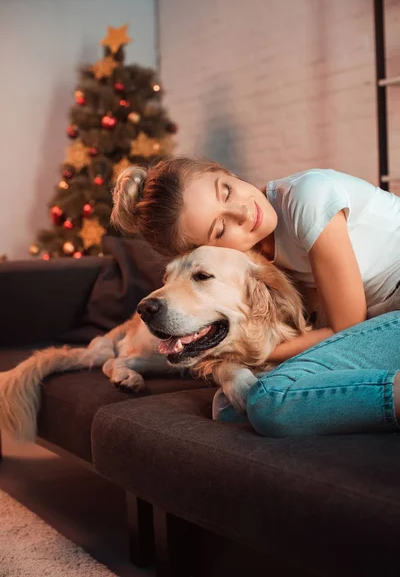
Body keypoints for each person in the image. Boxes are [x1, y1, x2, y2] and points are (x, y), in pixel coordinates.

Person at [110, 157, 400, 436]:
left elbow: (346, 329)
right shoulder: (253, 258)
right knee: (245, 400)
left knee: (267, 400)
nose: (243, 212)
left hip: (383, 309)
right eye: (221, 229)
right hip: (379, 318)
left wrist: (245, 354)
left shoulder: (308, 198)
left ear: (228, 173)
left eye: (226, 190)